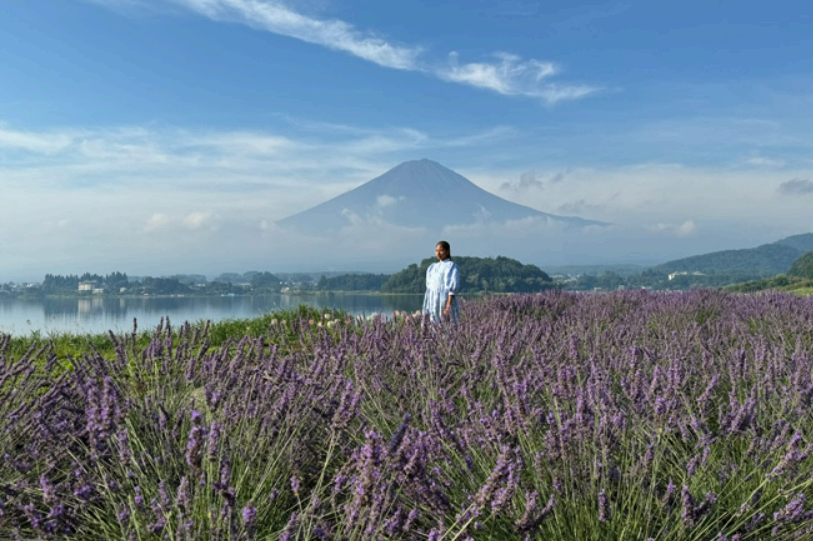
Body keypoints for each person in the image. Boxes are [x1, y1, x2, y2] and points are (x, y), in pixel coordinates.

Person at [423, 240, 460, 324]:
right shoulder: (432, 267)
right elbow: (429, 288)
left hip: (444, 300)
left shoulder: (451, 266)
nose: (438, 253)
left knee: (447, 324)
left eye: (441, 250)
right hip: (433, 302)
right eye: (436, 250)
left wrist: (448, 305)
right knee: (432, 324)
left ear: (448, 251)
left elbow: (452, 288)